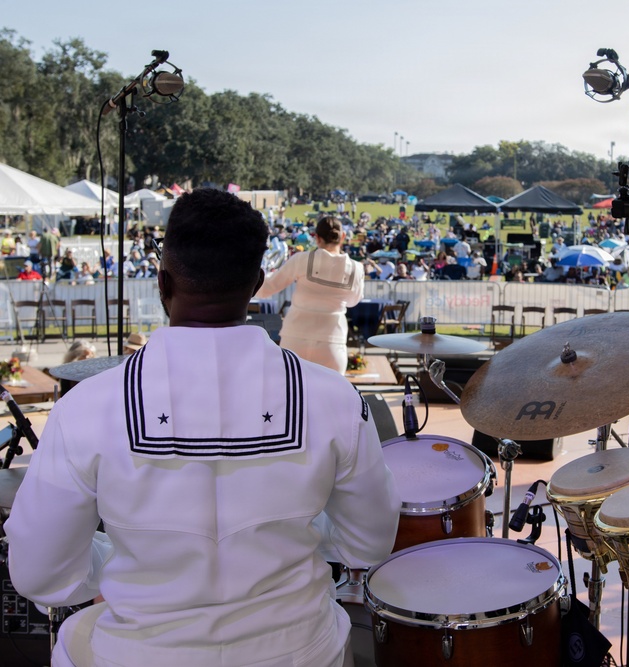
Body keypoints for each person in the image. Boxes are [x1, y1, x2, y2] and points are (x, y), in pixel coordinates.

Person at [5, 187, 400, 667]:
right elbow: (370, 541)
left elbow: (41, 574)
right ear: (256, 283)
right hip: (300, 651)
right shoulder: (336, 399)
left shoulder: (87, 408)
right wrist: (297, 530)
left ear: (162, 282)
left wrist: (117, 560)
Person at [256, 215, 365, 375]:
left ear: (316, 238)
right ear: (342, 237)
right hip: (332, 342)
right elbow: (352, 302)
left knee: (291, 395)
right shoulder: (356, 268)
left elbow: (267, 288)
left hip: (295, 338)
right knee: (330, 397)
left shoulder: (301, 259)